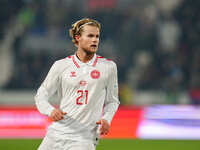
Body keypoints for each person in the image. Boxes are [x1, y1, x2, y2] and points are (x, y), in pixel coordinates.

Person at [35, 18, 120, 150]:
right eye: (90, 36)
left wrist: (107, 119)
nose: (95, 40)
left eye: (97, 36)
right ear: (78, 38)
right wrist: (50, 110)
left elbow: (113, 101)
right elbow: (41, 95)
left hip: (83, 139)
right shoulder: (61, 65)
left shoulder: (108, 67)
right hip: (55, 134)